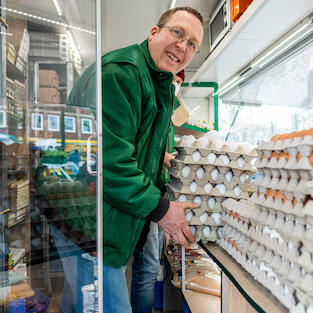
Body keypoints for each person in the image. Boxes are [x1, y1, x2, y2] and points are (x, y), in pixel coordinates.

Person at [61, 6, 204, 312]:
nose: (183, 45)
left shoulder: (155, 83)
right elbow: (109, 161)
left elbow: (131, 147)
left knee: (79, 304)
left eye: (192, 43)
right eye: (177, 32)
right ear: (154, 32)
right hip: (89, 224)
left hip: (96, 219)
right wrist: (162, 209)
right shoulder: (122, 73)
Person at [131, 70, 186, 313]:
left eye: (178, 81)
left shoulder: (169, 107)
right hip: (145, 194)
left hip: (155, 192)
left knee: (147, 264)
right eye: (172, 80)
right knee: (148, 266)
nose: (175, 84)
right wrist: (161, 157)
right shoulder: (150, 102)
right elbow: (137, 147)